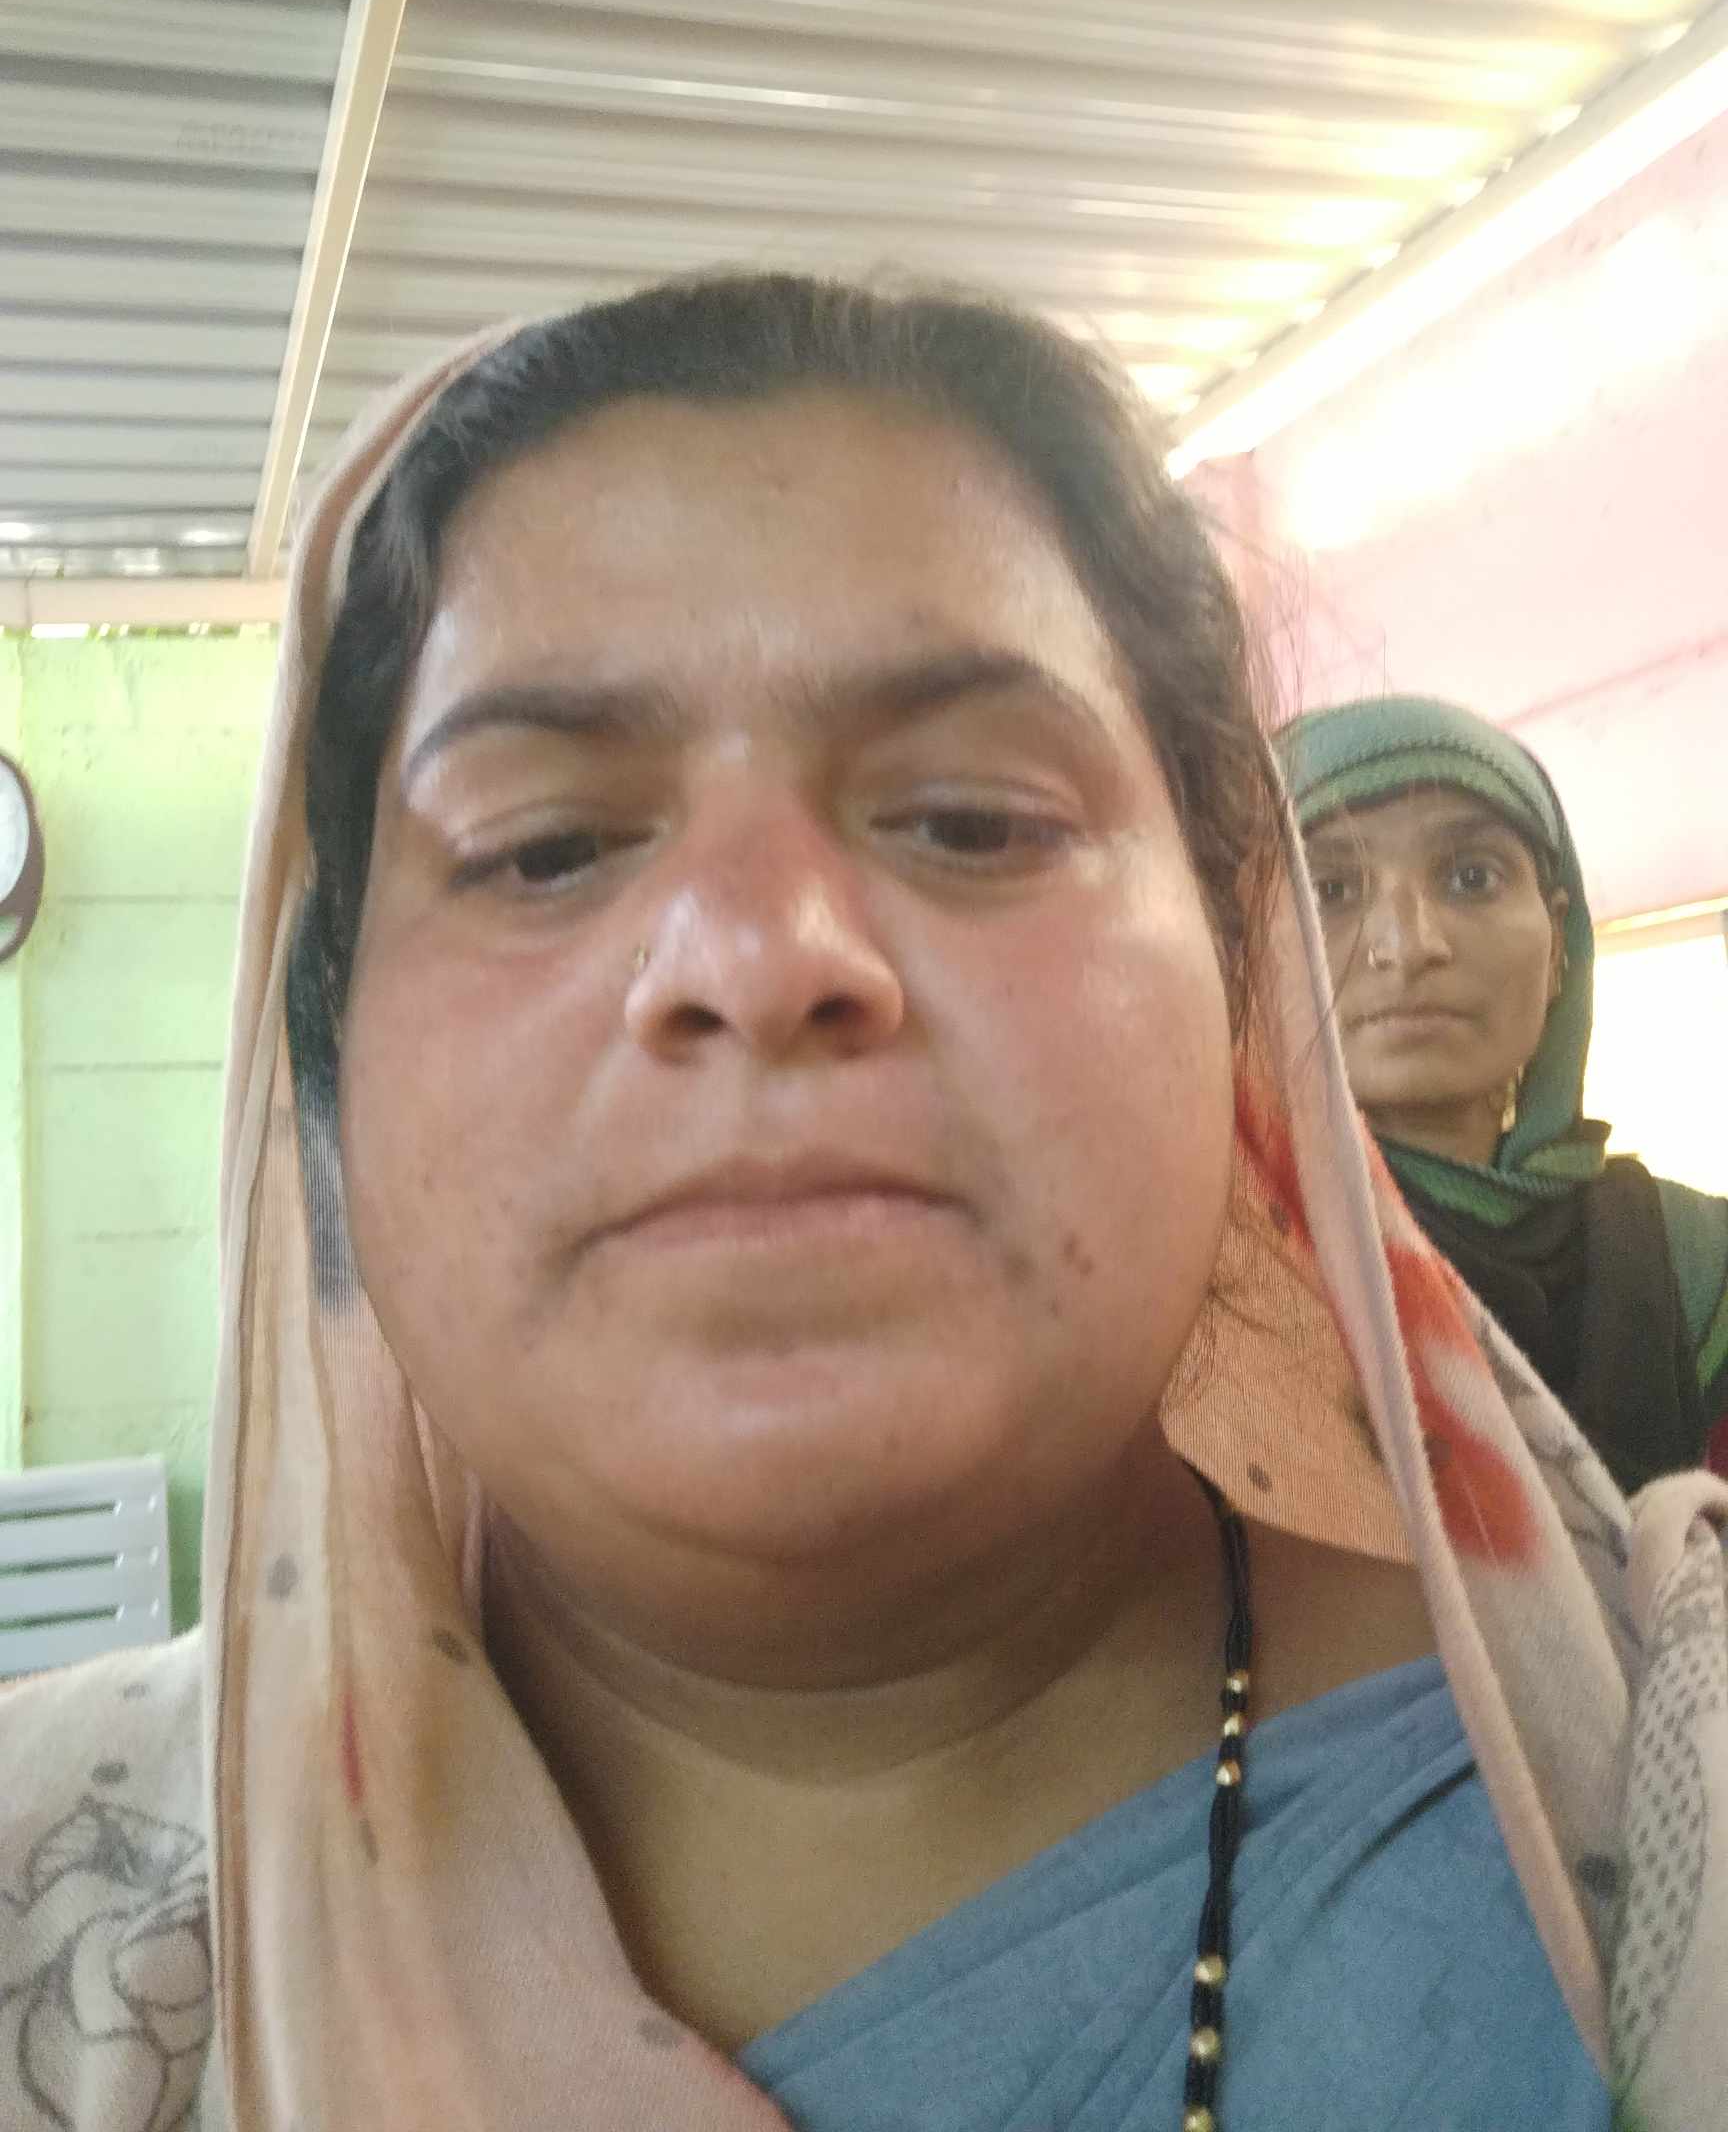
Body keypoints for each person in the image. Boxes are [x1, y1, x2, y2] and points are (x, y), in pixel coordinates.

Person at [1, 276, 1723, 2132]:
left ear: (1240, 983)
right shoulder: (71, 1896)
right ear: (329, 1052)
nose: (757, 952)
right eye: (544, 844)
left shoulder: (1652, 1785)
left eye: (972, 819)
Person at [1276, 697, 1728, 1496]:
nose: (1409, 945)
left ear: (1558, 948)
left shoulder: (1700, 1260)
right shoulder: (1219, 1282)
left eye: (1471, 878)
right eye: (1330, 890)